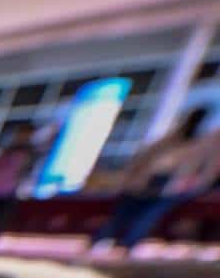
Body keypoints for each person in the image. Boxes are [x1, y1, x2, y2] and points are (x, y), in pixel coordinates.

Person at [92, 108, 219, 253]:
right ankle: (115, 243)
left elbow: (205, 172)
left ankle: (119, 244)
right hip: (158, 181)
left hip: (169, 184)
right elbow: (146, 159)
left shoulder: (198, 143)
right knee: (137, 211)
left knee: (144, 213)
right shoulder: (186, 140)